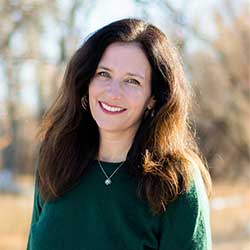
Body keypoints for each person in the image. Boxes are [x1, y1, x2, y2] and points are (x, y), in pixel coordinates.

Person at [26, 18, 212, 250]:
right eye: (104, 74)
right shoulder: (55, 157)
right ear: (87, 80)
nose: (113, 92)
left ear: (153, 98)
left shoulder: (175, 181)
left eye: (132, 81)